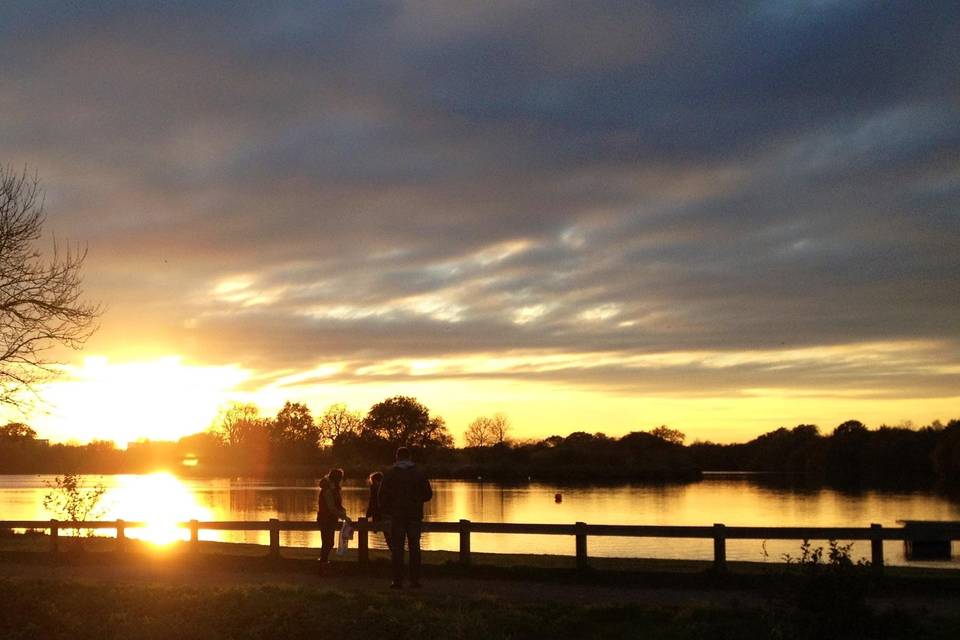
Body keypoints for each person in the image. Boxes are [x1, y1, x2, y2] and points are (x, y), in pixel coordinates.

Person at [378, 447, 432, 588]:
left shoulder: (390, 474)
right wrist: (416, 499)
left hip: (397, 515)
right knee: (415, 548)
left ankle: (397, 581)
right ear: (410, 457)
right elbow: (428, 495)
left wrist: (388, 509)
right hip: (414, 515)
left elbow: (381, 496)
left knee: (397, 549)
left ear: (397, 457)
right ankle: (414, 580)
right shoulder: (419, 473)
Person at [316, 468, 347, 566]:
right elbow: (331, 507)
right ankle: (323, 563)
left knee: (329, 542)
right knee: (327, 542)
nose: (341, 480)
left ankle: (323, 562)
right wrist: (343, 516)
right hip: (325, 519)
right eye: (340, 478)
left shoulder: (333, 489)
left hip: (330, 519)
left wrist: (342, 510)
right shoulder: (328, 490)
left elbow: (336, 505)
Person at [366, 471, 391, 550]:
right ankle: (395, 553)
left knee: (388, 535)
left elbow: (372, 502)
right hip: (387, 514)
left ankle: (394, 553)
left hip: (382, 514)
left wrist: (368, 514)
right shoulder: (387, 488)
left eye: (373, 481)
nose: (372, 483)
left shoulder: (375, 488)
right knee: (388, 535)